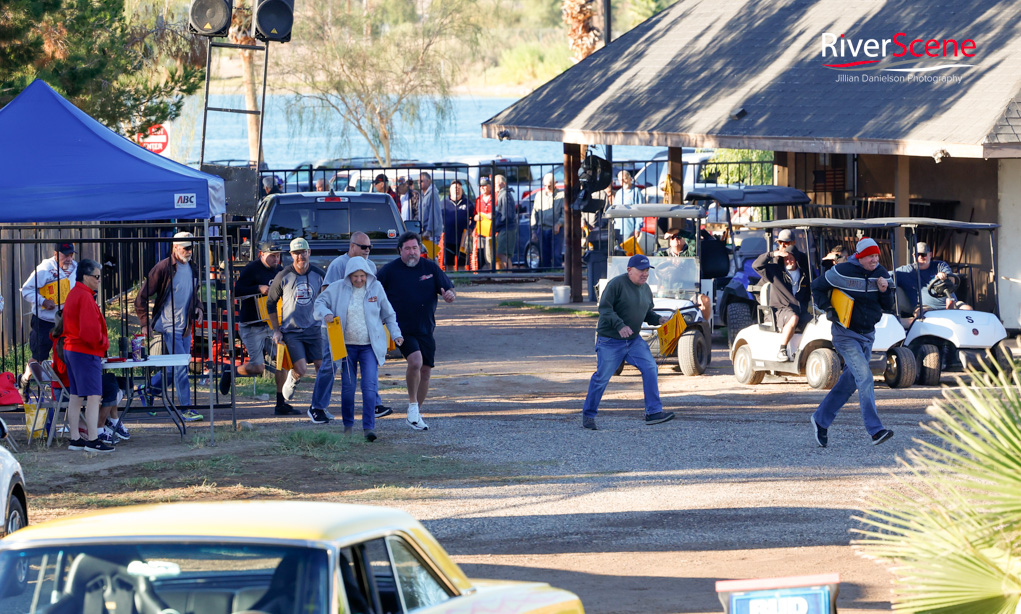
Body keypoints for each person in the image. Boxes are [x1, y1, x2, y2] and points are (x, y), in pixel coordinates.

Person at [810, 237, 895, 447]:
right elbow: (816, 287)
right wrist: (827, 309)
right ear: (861, 257)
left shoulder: (881, 273)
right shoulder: (842, 271)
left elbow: (888, 305)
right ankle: (876, 431)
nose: (875, 260)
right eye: (870, 256)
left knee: (850, 383)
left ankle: (820, 420)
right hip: (845, 334)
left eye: (876, 255)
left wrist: (885, 291)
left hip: (868, 335)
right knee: (865, 377)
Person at [314, 257, 403, 441]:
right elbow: (319, 302)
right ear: (348, 275)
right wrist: (327, 314)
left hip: (369, 346)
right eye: (355, 276)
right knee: (348, 388)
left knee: (370, 387)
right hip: (345, 346)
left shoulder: (376, 288)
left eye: (362, 276)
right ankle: (348, 426)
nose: (359, 280)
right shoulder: (338, 287)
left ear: (368, 275)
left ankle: (368, 428)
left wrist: (396, 334)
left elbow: (389, 313)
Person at [582, 254, 675, 430]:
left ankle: (653, 412)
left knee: (650, 367)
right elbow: (604, 309)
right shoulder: (616, 284)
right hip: (610, 340)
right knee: (602, 377)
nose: (645, 274)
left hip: (633, 341)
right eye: (641, 270)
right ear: (629, 270)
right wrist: (619, 326)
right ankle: (588, 415)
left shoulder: (646, 289)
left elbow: (647, 313)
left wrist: (659, 319)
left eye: (647, 270)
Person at [377, 232, 456, 431]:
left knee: (426, 370)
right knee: (415, 362)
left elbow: (448, 289)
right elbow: (373, 292)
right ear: (400, 251)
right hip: (402, 329)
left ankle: (415, 413)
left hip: (426, 328)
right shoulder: (390, 270)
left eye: (415, 248)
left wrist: (449, 295)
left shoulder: (429, 267)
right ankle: (412, 404)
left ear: (420, 249)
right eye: (407, 249)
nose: (412, 252)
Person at [311, 232, 393, 420]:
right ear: (352, 246)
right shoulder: (339, 264)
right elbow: (325, 292)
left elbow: (372, 294)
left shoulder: (369, 266)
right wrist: (330, 315)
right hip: (335, 325)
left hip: (360, 326)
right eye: (363, 247)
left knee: (369, 363)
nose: (367, 251)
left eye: (369, 247)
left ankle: (375, 404)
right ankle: (317, 407)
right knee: (331, 365)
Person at [134, 231, 203, 422]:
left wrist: (198, 307)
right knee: (181, 365)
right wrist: (145, 323)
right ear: (175, 247)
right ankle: (186, 409)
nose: (189, 251)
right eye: (186, 248)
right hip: (168, 324)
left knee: (174, 368)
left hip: (185, 325)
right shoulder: (163, 267)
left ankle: (148, 390)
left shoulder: (193, 267)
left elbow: (194, 294)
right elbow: (141, 297)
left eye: (191, 248)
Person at [221, 241, 295, 415]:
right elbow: (237, 291)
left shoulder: (279, 270)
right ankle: (230, 371)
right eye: (272, 256)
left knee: (283, 361)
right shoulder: (252, 269)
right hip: (252, 324)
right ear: (261, 254)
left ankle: (280, 403)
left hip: (272, 324)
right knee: (258, 367)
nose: (276, 259)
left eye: (278, 256)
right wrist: (258, 288)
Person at [267, 238, 328, 423]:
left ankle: (319, 406)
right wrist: (276, 330)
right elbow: (270, 302)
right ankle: (293, 378)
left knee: (322, 367)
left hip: (315, 328)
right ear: (291, 255)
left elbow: (327, 298)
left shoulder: (319, 274)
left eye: (303, 252)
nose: (300, 256)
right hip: (292, 330)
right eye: (296, 253)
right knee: (301, 369)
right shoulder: (284, 275)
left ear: (309, 252)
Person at [50, 311, 128, 446]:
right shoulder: (63, 341)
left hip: (70, 386)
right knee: (111, 384)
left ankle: (111, 420)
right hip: (66, 389)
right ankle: (101, 426)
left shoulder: (65, 338)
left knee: (119, 381)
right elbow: (64, 369)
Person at [62, 259, 114, 453]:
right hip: (84, 351)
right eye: (97, 277)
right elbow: (90, 331)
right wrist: (103, 343)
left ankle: (75, 438)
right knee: (93, 396)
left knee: (76, 395)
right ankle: (93, 439)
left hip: (73, 349)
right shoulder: (84, 297)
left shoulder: (75, 293)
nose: (99, 280)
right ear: (86, 276)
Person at [19, 241, 78, 398]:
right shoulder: (45, 269)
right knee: (39, 356)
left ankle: (64, 390)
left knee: (67, 355)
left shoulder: (76, 269)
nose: (69, 259)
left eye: (71, 255)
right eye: (65, 255)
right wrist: (43, 301)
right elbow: (26, 290)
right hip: (45, 320)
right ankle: (25, 380)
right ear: (55, 254)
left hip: (66, 320)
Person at [753, 237, 811, 362]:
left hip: (799, 310)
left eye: (791, 258)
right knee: (793, 317)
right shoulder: (775, 272)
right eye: (786, 259)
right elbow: (756, 265)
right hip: (779, 310)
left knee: (816, 322)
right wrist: (772, 254)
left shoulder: (805, 275)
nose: (788, 261)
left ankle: (810, 353)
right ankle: (782, 349)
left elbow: (811, 291)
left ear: (796, 259)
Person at [895, 242, 972, 311]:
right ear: (913, 256)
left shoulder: (940, 265)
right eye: (917, 255)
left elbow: (952, 280)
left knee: (968, 309)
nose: (920, 258)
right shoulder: (906, 270)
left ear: (930, 255)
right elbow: (887, 276)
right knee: (919, 312)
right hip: (927, 307)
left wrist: (945, 277)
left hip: (951, 304)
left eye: (923, 255)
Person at [530, 172, 564, 268]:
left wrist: (559, 224)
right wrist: (533, 230)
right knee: (544, 255)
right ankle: (546, 272)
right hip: (542, 228)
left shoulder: (561, 196)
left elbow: (564, 213)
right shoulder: (539, 195)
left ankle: (557, 272)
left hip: (556, 228)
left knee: (556, 254)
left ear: (555, 183)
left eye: (549, 186)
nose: (547, 188)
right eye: (545, 185)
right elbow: (535, 213)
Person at [581, 198, 610, 302]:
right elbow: (581, 210)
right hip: (589, 231)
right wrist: (584, 223)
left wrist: (600, 226)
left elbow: (607, 212)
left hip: (600, 232)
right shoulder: (584, 192)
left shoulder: (603, 194)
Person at [442, 180, 474, 268]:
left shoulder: (468, 203)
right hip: (449, 238)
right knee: (449, 264)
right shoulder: (443, 203)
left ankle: (462, 281)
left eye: (459, 188)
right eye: (455, 188)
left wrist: (471, 228)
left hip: (464, 238)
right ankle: (450, 281)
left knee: (462, 264)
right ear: (450, 190)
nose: (457, 190)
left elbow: (475, 217)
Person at [493, 174, 518, 270]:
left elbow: (506, 214)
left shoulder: (504, 195)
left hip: (506, 228)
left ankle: (508, 274)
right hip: (505, 227)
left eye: (496, 184)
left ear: (503, 184)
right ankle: (508, 273)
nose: (494, 186)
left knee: (502, 253)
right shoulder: (503, 194)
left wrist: (498, 225)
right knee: (504, 254)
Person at [473, 177, 495, 268]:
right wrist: (476, 217)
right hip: (481, 232)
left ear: (490, 186)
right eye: (481, 186)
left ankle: (492, 272)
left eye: (485, 185)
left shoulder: (494, 198)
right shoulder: (478, 199)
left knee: (490, 256)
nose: (482, 188)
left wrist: (492, 215)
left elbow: (499, 213)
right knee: (480, 255)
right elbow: (473, 215)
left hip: (491, 232)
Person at [418, 172, 443, 247]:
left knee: (431, 256)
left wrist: (429, 231)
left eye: (421, 181)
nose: (419, 183)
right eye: (418, 181)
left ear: (428, 181)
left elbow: (434, 214)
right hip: (425, 233)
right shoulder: (423, 195)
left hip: (431, 234)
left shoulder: (433, 194)